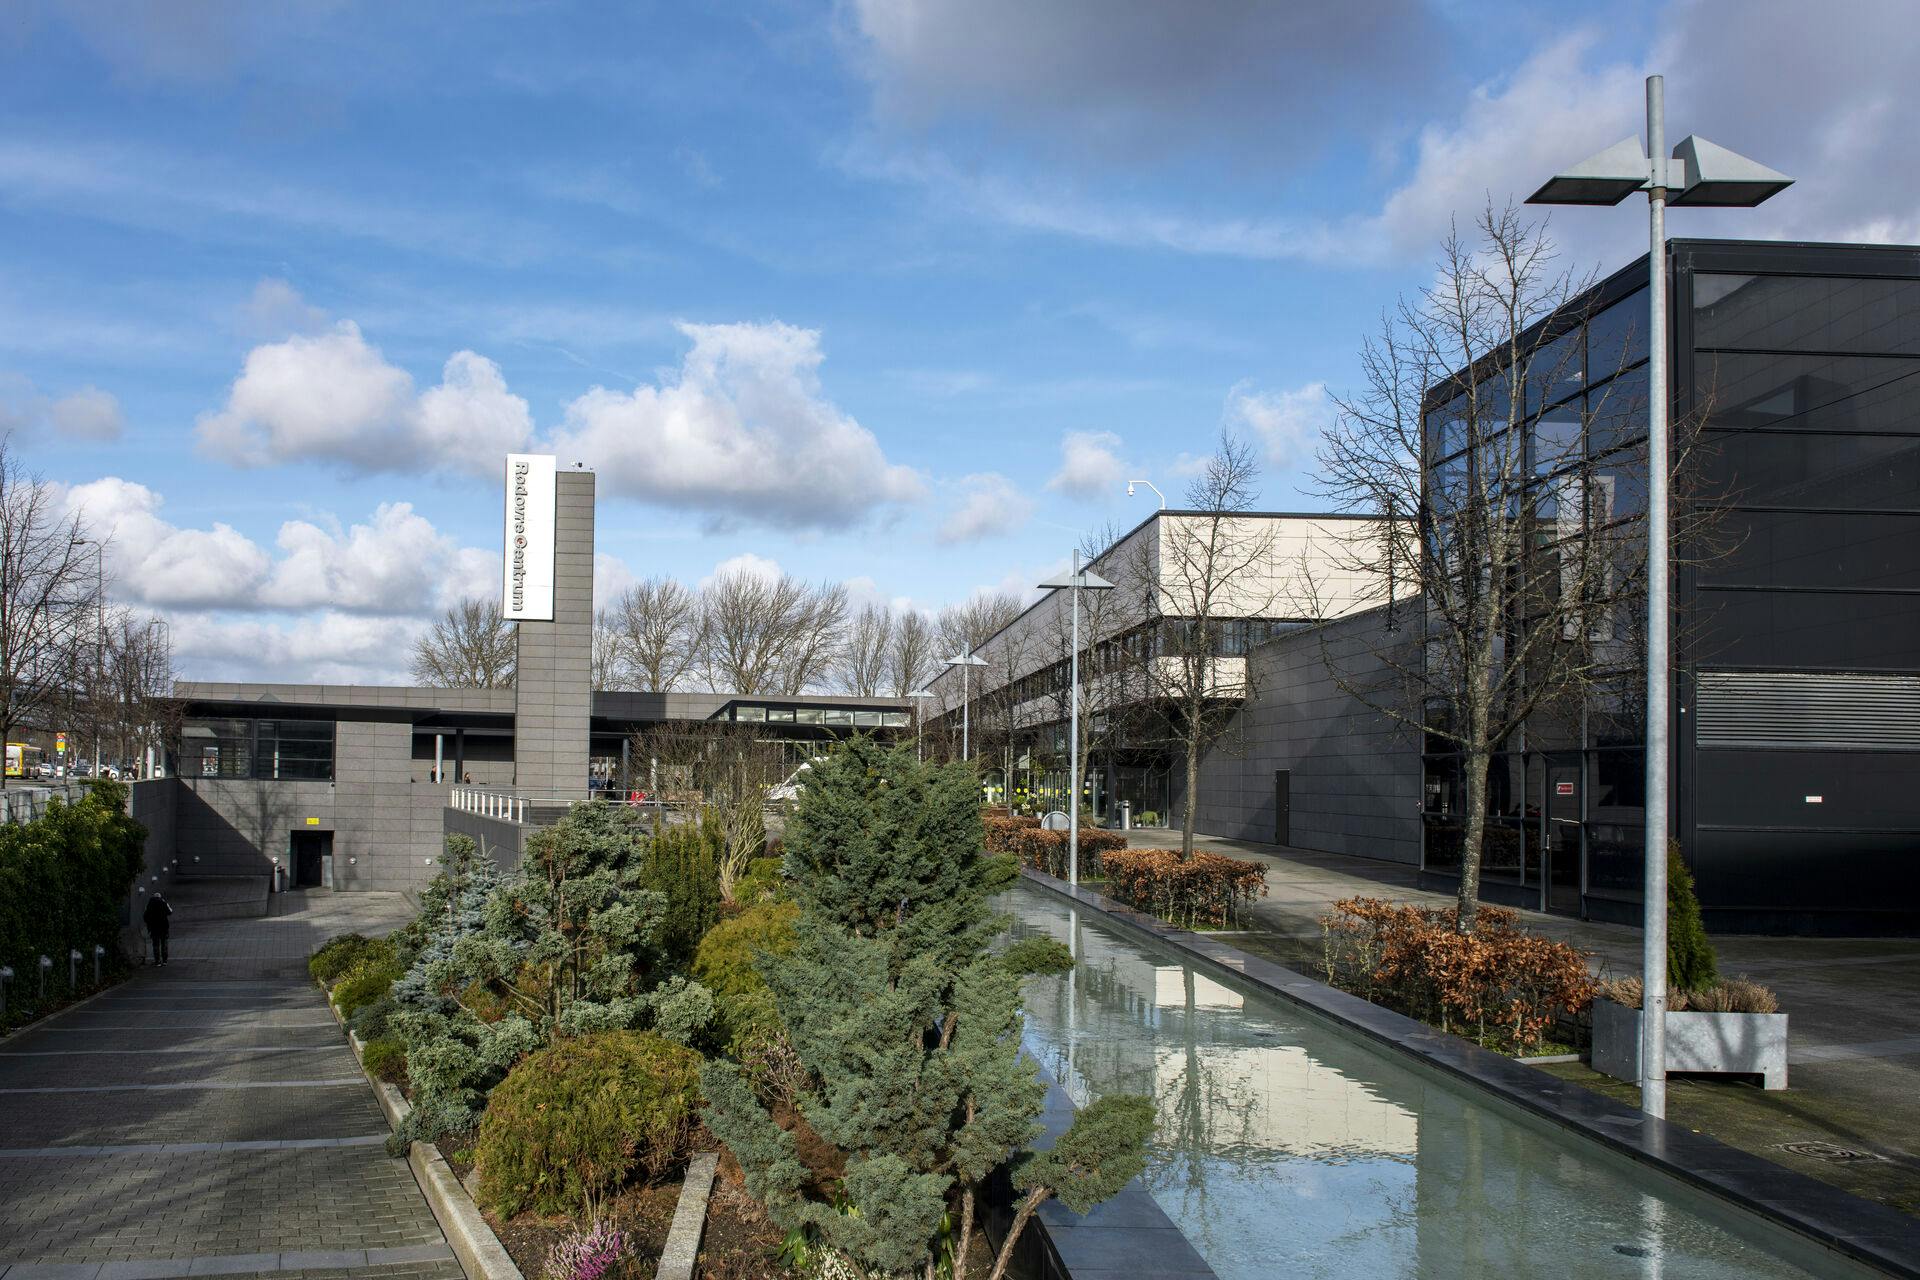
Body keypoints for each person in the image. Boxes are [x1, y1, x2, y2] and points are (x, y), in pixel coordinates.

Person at [143, 891, 173, 967]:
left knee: (156, 945)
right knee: (164, 944)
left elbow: (145, 916)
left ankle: (157, 961)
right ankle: (165, 961)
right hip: (163, 927)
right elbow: (170, 912)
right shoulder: (163, 902)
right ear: (160, 897)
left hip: (154, 928)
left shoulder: (149, 904)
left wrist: (149, 923)